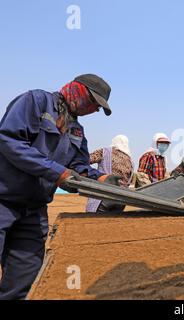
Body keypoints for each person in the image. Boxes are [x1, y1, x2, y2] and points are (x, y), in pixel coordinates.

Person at [0, 74, 116, 300]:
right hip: (3, 199)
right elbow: (8, 140)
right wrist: (57, 173)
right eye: (94, 103)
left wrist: (101, 180)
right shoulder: (36, 102)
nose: (94, 110)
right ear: (79, 91)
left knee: (25, 275)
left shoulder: (77, 132)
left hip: (33, 210)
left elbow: (79, 166)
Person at [86, 135, 134, 213]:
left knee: (95, 222)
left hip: (105, 196)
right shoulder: (130, 160)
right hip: (122, 198)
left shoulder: (105, 152)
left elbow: (86, 160)